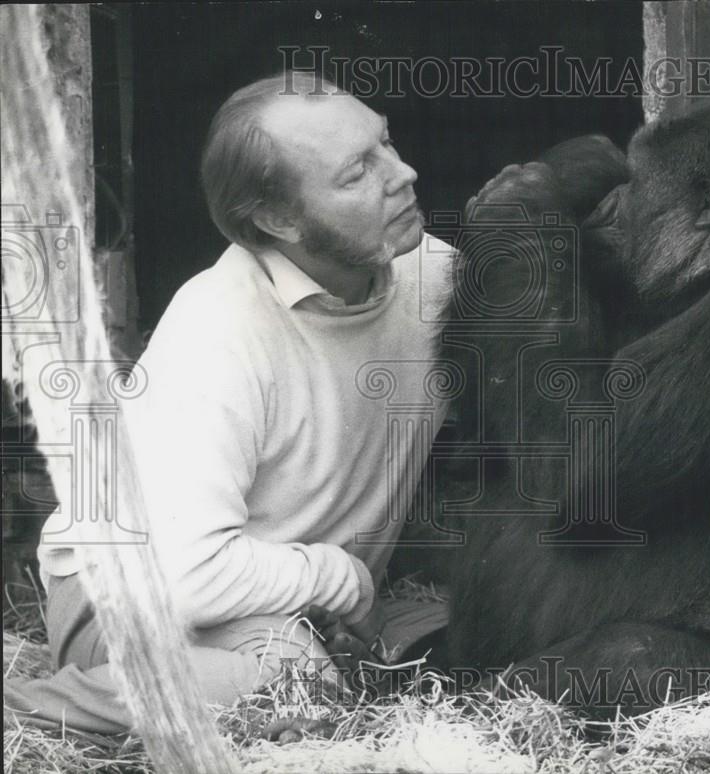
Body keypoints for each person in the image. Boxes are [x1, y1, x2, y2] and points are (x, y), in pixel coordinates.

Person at [4, 72, 453, 733]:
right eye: (357, 173)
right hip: (134, 599)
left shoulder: (436, 278)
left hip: (280, 599)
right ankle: (25, 715)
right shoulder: (219, 327)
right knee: (294, 690)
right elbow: (189, 578)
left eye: (384, 143)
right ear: (278, 219)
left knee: (464, 650)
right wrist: (344, 578)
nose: (403, 173)